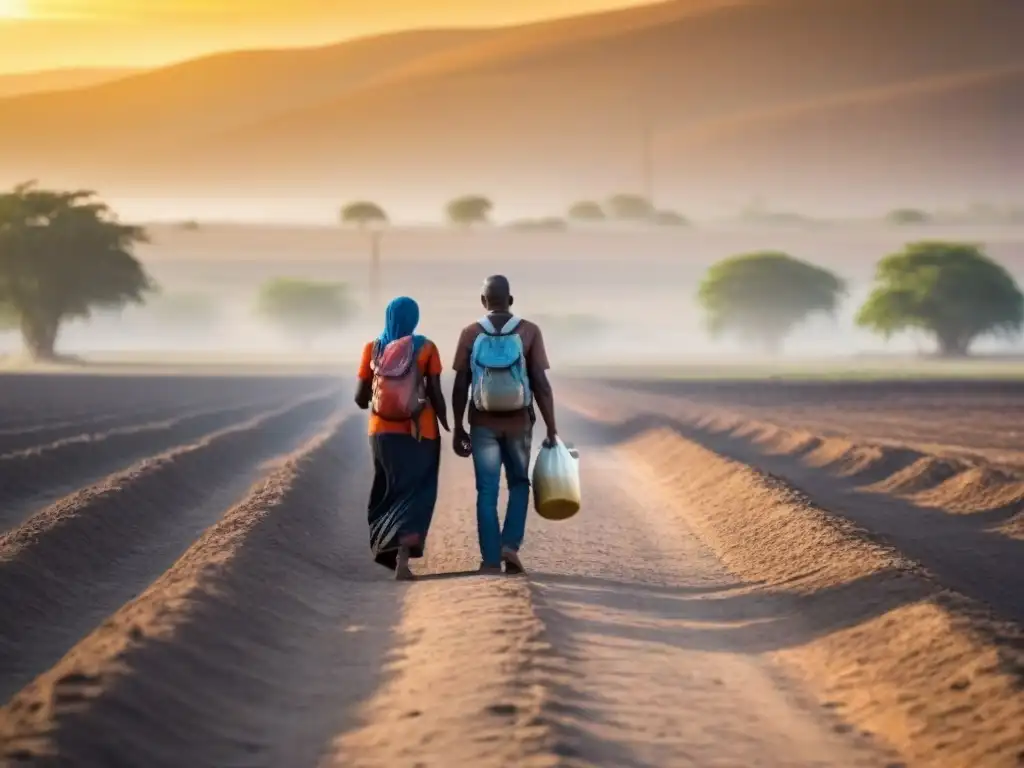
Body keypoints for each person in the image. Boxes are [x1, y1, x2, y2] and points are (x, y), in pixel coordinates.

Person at [451, 275, 558, 575]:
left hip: (482, 423)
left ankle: (488, 560)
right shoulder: (529, 331)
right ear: (510, 300)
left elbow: (461, 385)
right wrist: (551, 427)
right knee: (519, 484)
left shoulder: (470, 333)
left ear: (483, 302)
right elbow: (541, 383)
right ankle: (510, 545)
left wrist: (458, 426)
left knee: (486, 490)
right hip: (519, 423)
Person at [356, 296, 449, 581]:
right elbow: (435, 391)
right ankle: (404, 562)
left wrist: (382, 397)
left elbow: (360, 399)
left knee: (387, 487)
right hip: (420, 432)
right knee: (416, 491)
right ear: (415, 319)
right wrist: (446, 423)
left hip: (381, 433)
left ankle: (385, 547)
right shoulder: (426, 347)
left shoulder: (373, 348)